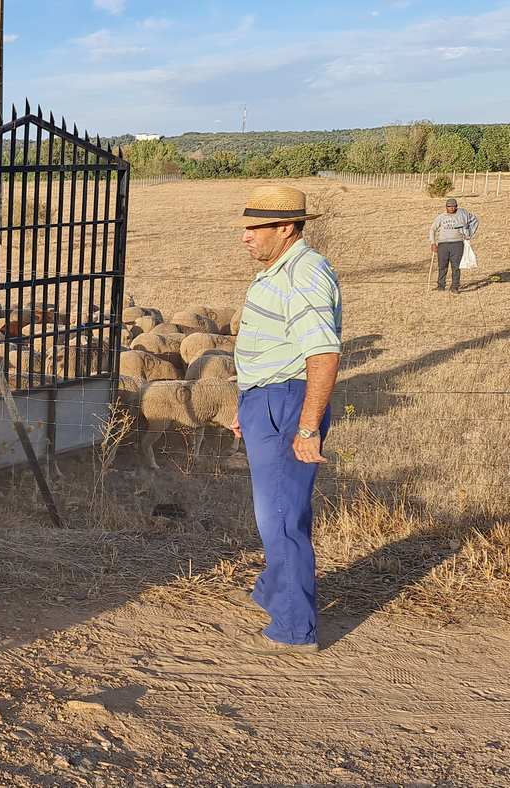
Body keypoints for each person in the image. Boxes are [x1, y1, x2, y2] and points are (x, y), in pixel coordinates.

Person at [229, 185, 342, 655]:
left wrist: (307, 427)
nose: (245, 238)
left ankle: (294, 628)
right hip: (267, 401)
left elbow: (322, 353)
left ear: (286, 228)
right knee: (275, 512)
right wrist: (247, 404)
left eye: (255, 229)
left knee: (280, 517)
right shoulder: (281, 270)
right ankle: (276, 592)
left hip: (287, 404)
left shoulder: (304, 274)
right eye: (246, 228)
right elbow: (272, 345)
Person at [429, 197, 479, 293]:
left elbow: (474, 220)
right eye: (449, 206)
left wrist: (468, 233)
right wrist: (433, 242)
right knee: (442, 266)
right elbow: (432, 229)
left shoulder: (462, 215)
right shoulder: (441, 217)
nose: (451, 208)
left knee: (456, 266)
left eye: (454, 206)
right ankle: (441, 286)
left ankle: (455, 287)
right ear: (446, 207)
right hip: (443, 244)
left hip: (457, 243)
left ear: (457, 207)